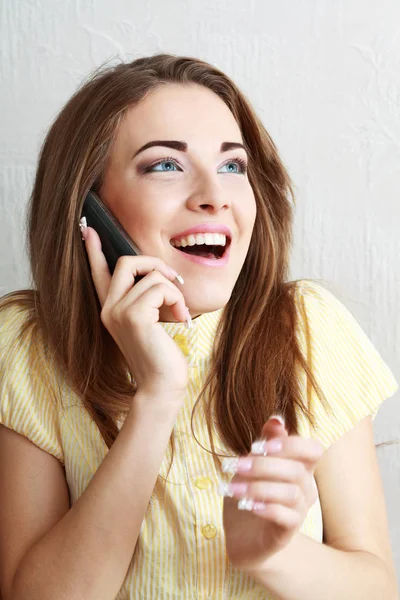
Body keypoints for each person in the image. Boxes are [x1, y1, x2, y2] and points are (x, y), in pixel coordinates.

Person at [0, 54, 398, 600]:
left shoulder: (307, 326)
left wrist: (273, 552)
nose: (215, 193)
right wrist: (157, 396)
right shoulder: (27, 344)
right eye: (165, 165)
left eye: (233, 165)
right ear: (90, 209)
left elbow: (377, 586)